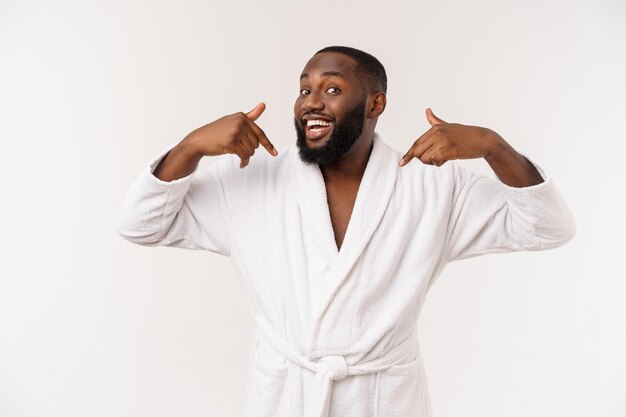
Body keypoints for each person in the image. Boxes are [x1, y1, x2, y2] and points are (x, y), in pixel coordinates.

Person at [117, 45, 576, 417]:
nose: (311, 102)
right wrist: (192, 145)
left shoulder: (432, 187)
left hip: (382, 400)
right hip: (286, 396)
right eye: (304, 89)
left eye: (332, 88)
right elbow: (140, 224)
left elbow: (548, 227)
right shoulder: (251, 181)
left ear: (375, 103)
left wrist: (494, 147)